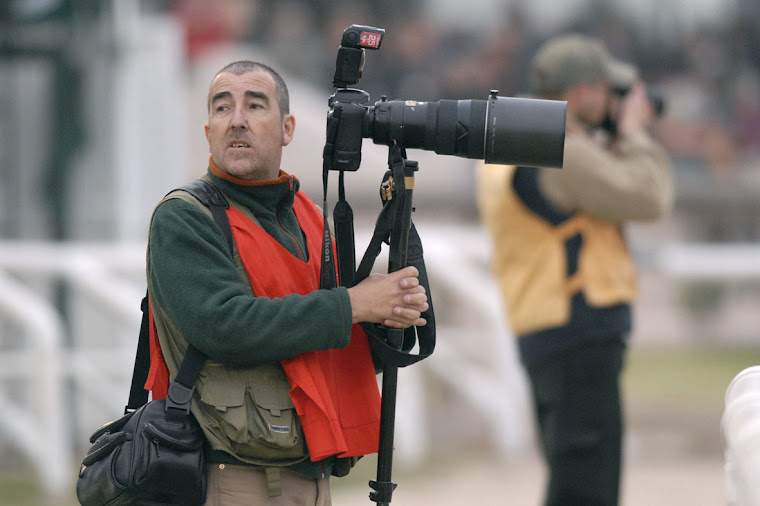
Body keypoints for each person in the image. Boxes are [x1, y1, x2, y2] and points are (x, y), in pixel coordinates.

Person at [144, 60, 429, 505]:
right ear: (208, 131)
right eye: (222, 108)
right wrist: (352, 305)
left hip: (311, 480)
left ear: (287, 128)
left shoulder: (309, 218)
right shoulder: (183, 217)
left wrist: (388, 312)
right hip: (229, 478)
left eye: (255, 105)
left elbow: (323, 348)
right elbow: (226, 327)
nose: (236, 120)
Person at [477, 35, 673, 505]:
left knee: (572, 475)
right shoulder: (557, 142)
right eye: (611, 91)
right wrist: (634, 132)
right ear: (582, 93)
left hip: (547, 325)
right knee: (588, 487)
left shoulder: (515, 137)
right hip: (578, 326)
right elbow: (649, 197)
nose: (616, 103)